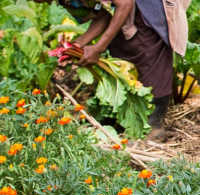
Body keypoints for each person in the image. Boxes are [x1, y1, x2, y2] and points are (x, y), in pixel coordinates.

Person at [58, 0, 189, 140]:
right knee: (124, 57)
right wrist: (77, 45)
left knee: (149, 57)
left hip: (148, 8)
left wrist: (99, 48)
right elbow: (105, 14)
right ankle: (131, 122)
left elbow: (125, 3)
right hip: (127, 11)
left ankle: (153, 127)